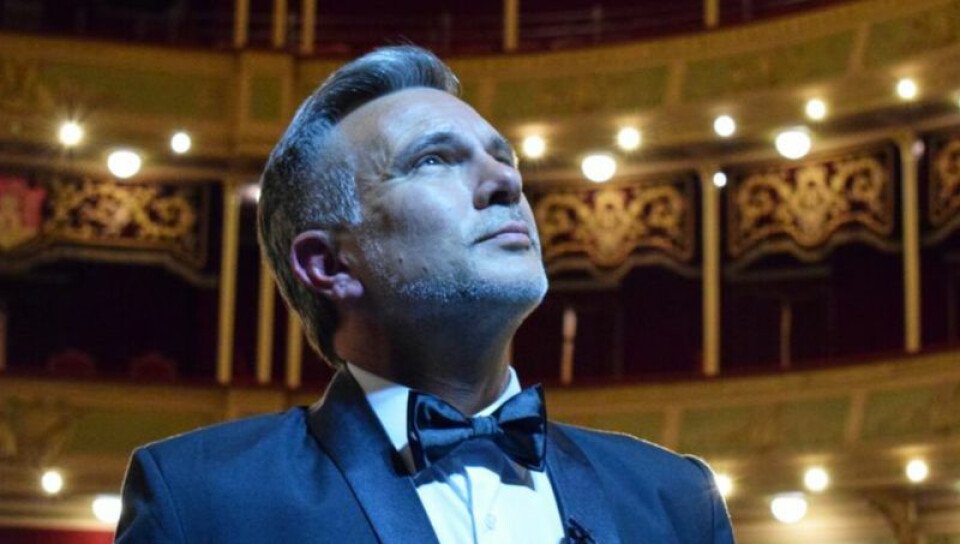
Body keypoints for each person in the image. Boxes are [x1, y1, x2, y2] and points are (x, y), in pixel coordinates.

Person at [115, 45, 735, 544]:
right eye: (433, 160)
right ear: (329, 264)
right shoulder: (202, 500)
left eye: (503, 158)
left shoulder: (675, 498)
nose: (506, 181)